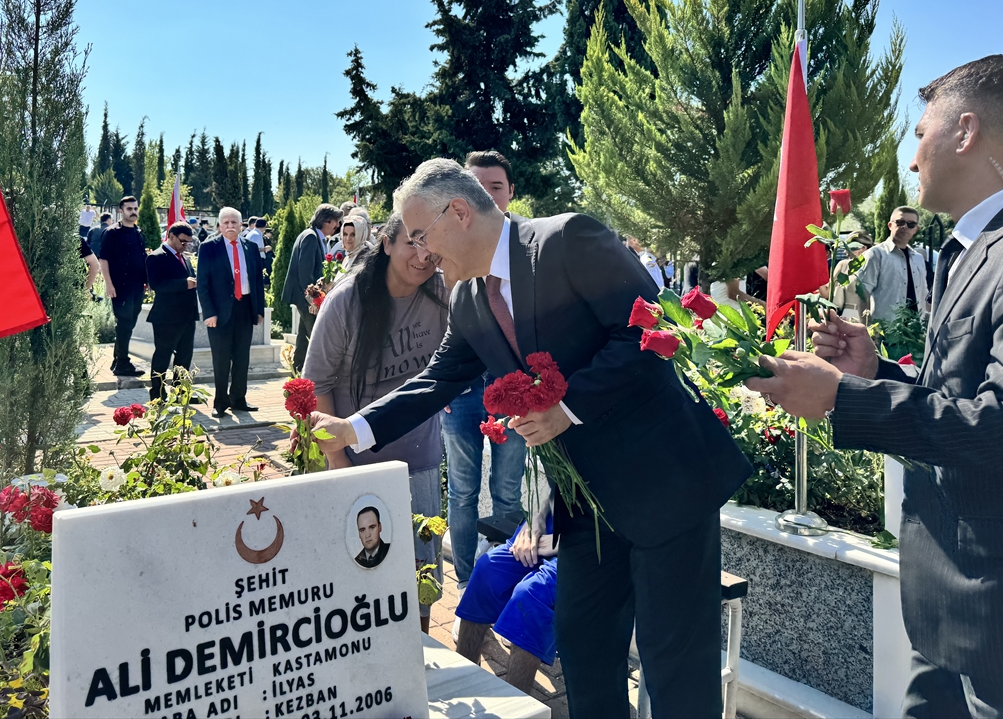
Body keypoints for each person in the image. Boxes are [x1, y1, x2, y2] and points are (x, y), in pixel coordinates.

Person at [310, 159, 750, 715]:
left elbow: (651, 330)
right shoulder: (469, 299)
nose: (419, 253)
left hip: (663, 485)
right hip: (585, 508)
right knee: (588, 653)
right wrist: (355, 428)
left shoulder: (568, 240)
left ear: (460, 213)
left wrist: (567, 407)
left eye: (421, 235)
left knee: (674, 668)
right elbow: (439, 379)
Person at [745, 55, 1003, 718]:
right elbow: (967, 396)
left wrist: (841, 398)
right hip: (950, 611)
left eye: (921, 133)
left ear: (966, 131)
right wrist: (877, 374)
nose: (912, 159)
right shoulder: (982, 246)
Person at [302, 214, 448, 631]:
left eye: (431, 245)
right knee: (360, 582)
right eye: (411, 243)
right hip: (357, 461)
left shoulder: (439, 291)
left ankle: (420, 667)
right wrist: (337, 461)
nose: (423, 256)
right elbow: (316, 385)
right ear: (385, 243)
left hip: (418, 459)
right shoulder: (348, 300)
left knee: (422, 583)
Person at [444, 150, 529, 588]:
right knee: (461, 493)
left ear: (510, 194)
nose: (487, 198)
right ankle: (465, 584)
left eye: (495, 188)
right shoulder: (450, 261)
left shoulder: (532, 257)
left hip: (512, 396)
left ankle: (501, 583)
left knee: (507, 493)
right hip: (459, 397)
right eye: (475, 189)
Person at [456, 499, 557, 695]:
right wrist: (534, 519)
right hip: (552, 526)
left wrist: (567, 540)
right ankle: (463, 684)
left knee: (530, 596)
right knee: (487, 570)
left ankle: (516, 707)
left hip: (592, 542)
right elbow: (555, 487)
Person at [196, 207, 267, 417]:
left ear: (241, 225)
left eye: (234, 222)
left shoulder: (251, 247)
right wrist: (209, 313)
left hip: (244, 308)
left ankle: (239, 398)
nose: (230, 226)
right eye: (225, 223)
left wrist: (258, 310)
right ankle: (220, 402)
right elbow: (203, 283)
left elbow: (256, 281)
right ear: (219, 226)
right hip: (219, 312)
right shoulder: (209, 247)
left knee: (242, 356)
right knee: (221, 357)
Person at [280, 203, 343, 371]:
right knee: (315, 337)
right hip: (306, 297)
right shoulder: (310, 237)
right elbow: (305, 273)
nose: (337, 226)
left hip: (307, 296)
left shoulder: (314, 236)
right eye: (336, 222)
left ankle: (298, 371)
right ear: (326, 221)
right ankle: (315, 375)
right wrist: (313, 300)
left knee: (303, 338)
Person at [145, 222, 199, 400]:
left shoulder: (184, 257)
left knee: (184, 358)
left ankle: (181, 392)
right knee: (163, 356)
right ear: (172, 236)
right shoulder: (156, 256)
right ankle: (158, 394)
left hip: (187, 315)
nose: (185, 246)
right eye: (183, 242)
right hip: (167, 317)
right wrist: (185, 284)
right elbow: (157, 284)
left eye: (188, 243)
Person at [99, 197, 148, 376]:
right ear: (121, 211)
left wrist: (147, 281)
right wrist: (108, 284)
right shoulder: (112, 232)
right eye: (129, 209)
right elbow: (103, 259)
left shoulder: (138, 232)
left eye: (135, 208)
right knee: (124, 324)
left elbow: (142, 259)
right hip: (120, 287)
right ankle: (123, 364)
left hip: (137, 287)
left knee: (129, 324)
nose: (133, 212)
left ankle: (117, 359)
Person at [855, 206, 930, 322]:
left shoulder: (919, 259)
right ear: (890, 225)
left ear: (916, 229)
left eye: (911, 224)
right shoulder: (875, 255)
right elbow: (862, 293)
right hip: (886, 330)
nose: (905, 227)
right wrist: (867, 328)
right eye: (900, 222)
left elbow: (923, 294)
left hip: (916, 330)